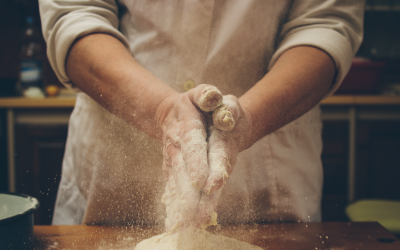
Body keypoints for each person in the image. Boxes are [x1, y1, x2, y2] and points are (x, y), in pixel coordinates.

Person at [38, 0, 365, 226]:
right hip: (118, 162)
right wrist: (160, 109)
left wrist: (249, 120)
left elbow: (324, 25)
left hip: (270, 171)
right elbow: (75, 15)